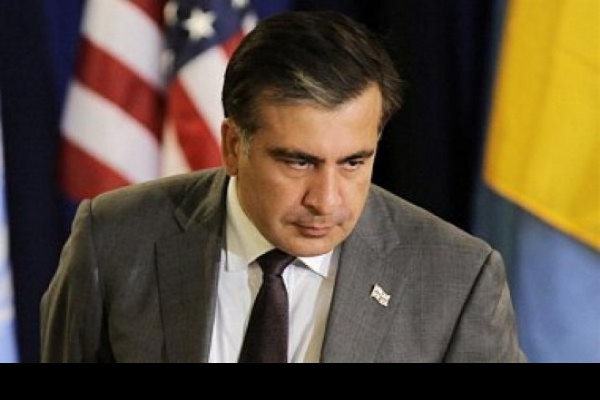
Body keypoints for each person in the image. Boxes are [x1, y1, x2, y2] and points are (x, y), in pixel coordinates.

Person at [41, 11, 524, 363]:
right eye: (298, 161)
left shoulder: (456, 279)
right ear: (234, 146)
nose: (326, 200)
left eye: (354, 162)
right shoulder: (114, 240)